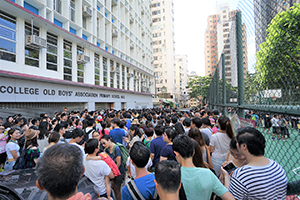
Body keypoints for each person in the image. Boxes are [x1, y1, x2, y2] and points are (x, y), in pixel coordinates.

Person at [222, 127, 287, 199]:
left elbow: (230, 198)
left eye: (237, 142)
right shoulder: (277, 166)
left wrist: (226, 176)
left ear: (244, 146)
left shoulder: (242, 174)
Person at [172, 135, 234, 200]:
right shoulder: (208, 174)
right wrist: (226, 176)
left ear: (176, 154)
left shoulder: (173, 175)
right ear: (193, 152)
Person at [100, 135, 125, 200]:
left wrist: (113, 173)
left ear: (109, 140)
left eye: (104, 143)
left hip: (119, 172)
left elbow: (118, 163)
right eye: (102, 144)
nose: (103, 145)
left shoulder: (116, 149)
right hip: (113, 172)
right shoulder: (107, 148)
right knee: (114, 187)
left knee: (117, 189)